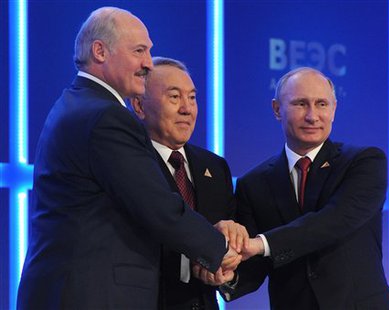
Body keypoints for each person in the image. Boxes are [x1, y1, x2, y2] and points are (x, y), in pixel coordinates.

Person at [17, 7, 238, 309]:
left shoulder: (76, 103)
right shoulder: (105, 116)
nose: (148, 63)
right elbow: (157, 206)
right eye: (139, 51)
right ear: (100, 51)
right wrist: (221, 250)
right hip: (91, 296)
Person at [221, 67, 389, 309]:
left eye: (322, 104)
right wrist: (227, 272)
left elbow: (334, 220)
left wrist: (262, 244)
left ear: (334, 109)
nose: (313, 116)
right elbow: (253, 265)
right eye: (301, 104)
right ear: (277, 109)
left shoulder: (364, 162)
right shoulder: (253, 184)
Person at [130, 57, 244, 310]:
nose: (187, 109)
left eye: (192, 98)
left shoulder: (215, 166)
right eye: (174, 97)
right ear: (139, 106)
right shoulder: (128, 165)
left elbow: (230, 257)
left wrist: (226, 271)